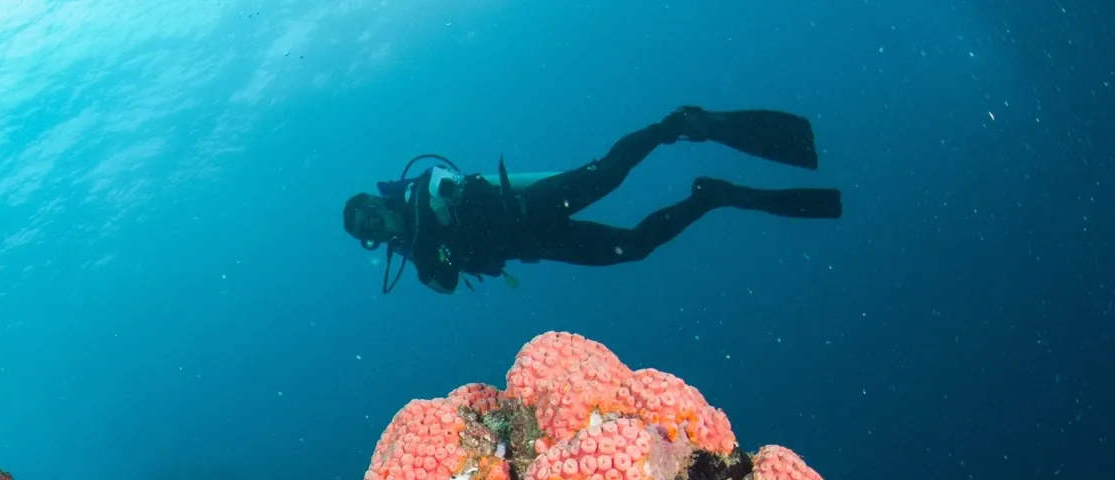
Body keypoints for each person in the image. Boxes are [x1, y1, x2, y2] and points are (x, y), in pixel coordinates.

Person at [342, 107, 842, 293]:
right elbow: (447, 285)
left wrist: (439, 216)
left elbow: (445, 179)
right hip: (540, 243)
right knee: (634, 248)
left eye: (368, 215)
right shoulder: (415, 255)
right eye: (367, 231)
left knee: (608, 174)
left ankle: (674, 126)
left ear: (373, 200)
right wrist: (429, 254)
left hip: (532, 206)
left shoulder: (420, 189)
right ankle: (708, 197)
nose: (373, 226)